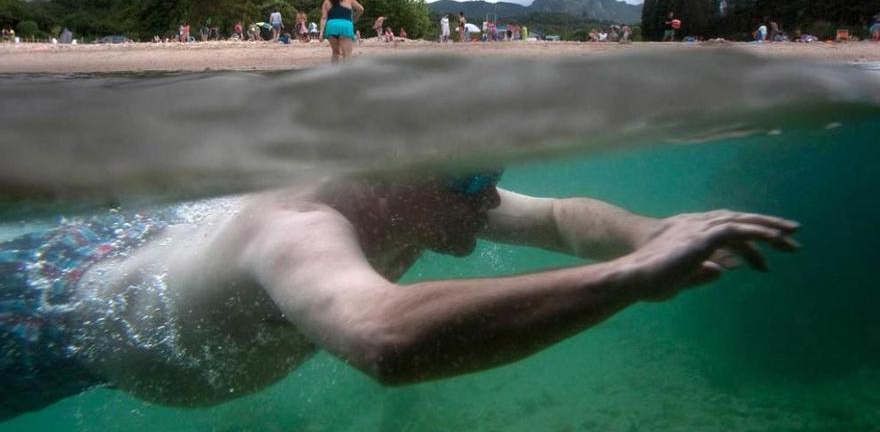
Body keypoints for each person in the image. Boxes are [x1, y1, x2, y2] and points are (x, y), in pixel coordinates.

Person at [0, 168, 800, 421]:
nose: (488, 202)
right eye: (470, 183)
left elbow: (558, 217)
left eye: (487, 179)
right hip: (42, 322)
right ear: (394, 165)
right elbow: (386, 339)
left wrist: (649, 231)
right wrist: (628, 279)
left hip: (121, 257)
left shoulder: (431, 195)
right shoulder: (297, 228)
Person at [319, 0, 364, 64]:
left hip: (331, 27)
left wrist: (321, 33)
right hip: (345, 26)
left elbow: (324, 17)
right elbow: (361, 9)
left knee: (335, 53)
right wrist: (355, 17)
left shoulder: (326, 2)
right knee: (347, 55)